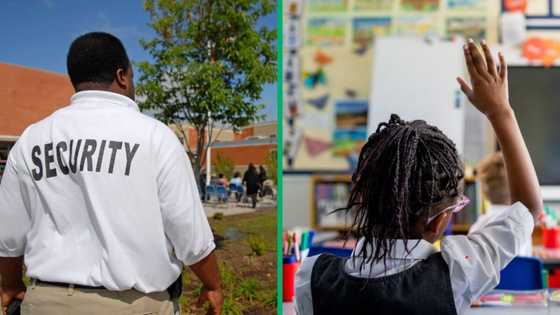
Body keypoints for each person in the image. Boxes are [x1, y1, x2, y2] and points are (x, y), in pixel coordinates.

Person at [295, 39, 543, 315]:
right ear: (439, 221)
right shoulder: (457, 274)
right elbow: (529, 209)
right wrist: (500, 111)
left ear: (363, 198)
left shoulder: (310, 278)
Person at [0, 32, 223, 315]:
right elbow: (189, 233)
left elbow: (8, 234)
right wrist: (212, 284)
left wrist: (9, 284)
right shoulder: (155, 137)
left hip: (46, 302)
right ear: (122, 76)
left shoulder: (32, 139)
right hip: (134, 305)